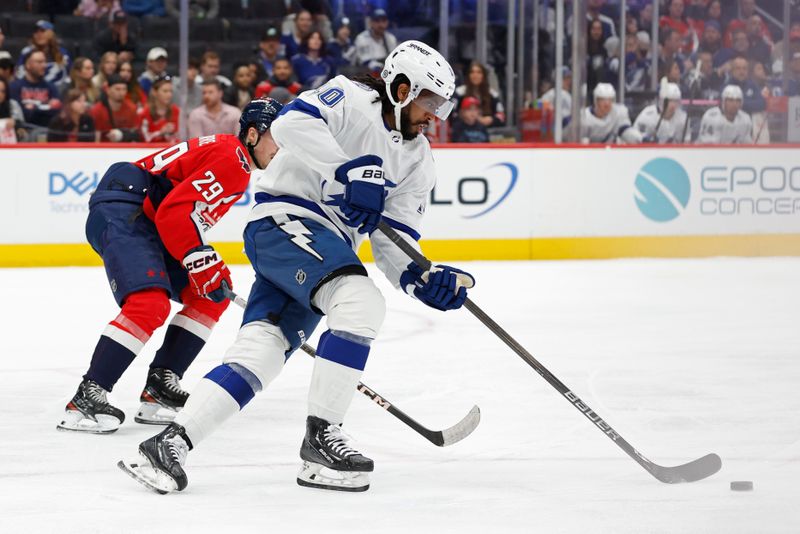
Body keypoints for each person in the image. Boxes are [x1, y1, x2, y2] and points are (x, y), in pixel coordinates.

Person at [118, 40, 474, 495]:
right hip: (285, 221)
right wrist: (349, 170)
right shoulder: (351, 96)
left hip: (322, 251)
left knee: (262, 352)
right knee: (358, 300)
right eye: (430, 102)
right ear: (401, 88)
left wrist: (421, 278)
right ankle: (322, 436)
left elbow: (393, 240)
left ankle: (171, 442)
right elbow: (290, 123)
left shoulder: (418, 161)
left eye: (441, 106)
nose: (435, 116)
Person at [58, 98, 283, 435]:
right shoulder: (232, 160)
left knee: (211, 294)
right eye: (277, 139)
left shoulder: (233, 159)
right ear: (252, 134)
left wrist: (202, 260)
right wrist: (197, 256)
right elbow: (175, 212)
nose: (282, 149)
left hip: (148, 215)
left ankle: (160, 388)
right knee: (150, 303)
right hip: (128, 210)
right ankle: (88, 396)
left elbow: (179, 213)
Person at [9, 50, 62, 128]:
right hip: (24, 131)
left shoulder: (51, 87)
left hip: (46, 130)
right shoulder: (14, 87)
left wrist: (33, 108)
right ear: (28, 65)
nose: (44, 65)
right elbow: (19, 114)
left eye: (45, 62)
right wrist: (45, 108)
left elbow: (56, 113)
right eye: (39, 62)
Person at [17, 20, 71, 86]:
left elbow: (68, 76)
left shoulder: (62, 53)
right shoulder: (26, 52)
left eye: (42, 31)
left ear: (51, 34)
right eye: (36, 32)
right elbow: (20, 75)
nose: (39, 34)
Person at [90, 73, 139, 142]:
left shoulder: (132, 108)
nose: (121, 93)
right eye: (117, 89)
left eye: (124, 89)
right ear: (108, 90)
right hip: (104, 149)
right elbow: (96, 138)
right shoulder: (97, 110)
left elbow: (135, 133)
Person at [454, 61, 505, 127]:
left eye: (479, 72)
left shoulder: (492, 93)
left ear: (483, 76)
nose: (475, 75)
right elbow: (452, 115)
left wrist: (491, 119)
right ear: (468, 75)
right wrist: (465, 118)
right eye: (472, 72)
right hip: (464, 131)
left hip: (488, 132)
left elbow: (501, 116)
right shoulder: (459, 92)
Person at [354, 8, 397, 74]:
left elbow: (394, 60)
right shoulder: (362, 38)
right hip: (367, 75)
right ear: (371, 23)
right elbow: (365, 62)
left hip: (386, 73)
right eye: (377, 21)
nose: (381, 24)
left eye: (384, 21)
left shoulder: (391, 38)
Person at [138, 75, 179, 143]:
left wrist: (171, 135)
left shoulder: (176, 110)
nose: (169, 95)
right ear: (155, 92)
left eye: (170, 91)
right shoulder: (145, 112)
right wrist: (161, 132)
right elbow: (144, 138)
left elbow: (181, 136)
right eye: (165, 91)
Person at [0, 77, 25, 143]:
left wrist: (15, 123)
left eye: (3, 91)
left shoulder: (12, 105)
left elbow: (22, 126)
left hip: (10, 145)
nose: (0, 94)